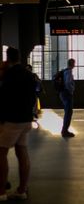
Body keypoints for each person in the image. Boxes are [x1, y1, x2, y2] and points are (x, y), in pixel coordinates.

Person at [0, 47, 36, 201]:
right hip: (26, 119)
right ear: (20, 58)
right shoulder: (29, 74)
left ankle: (1, 192)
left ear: (8, 59)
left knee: (1, 153)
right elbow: (34, 96)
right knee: (22, 152)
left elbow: (3, 97)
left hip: (11, 120)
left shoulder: (8, 75)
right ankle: (22, 190)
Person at [60, 58, 76, 138]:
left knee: (67, 111)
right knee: (68, 112)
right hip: (67, 93)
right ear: (72, 64)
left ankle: (65, 130)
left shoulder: (64, 71)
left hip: (63, 93)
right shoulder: (69, 72)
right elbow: (68, 83)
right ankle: (65, 131)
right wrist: (71, 90)